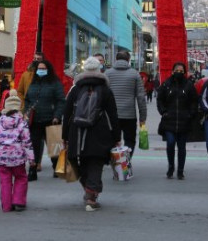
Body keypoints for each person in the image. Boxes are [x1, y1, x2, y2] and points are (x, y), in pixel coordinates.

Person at [62, 57, 119, 211]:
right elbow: (113, 115)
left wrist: (64, 136)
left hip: (77, 132)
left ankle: (90, 191)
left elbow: (66, 113)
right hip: (99, 132)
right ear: (99, 70)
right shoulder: (106, 90)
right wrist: (117, 138)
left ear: (84, 71)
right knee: (96, 162)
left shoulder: (75, 89)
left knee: (79, 163)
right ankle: (91, 195)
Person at [0, 89, 34, 212]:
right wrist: (31, 159)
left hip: (2, 159)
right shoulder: (22, 123)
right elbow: (27, 142)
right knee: (21, 178)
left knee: (5, 181)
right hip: (18, 158)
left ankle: (6, 205)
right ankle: (19, 202)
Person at [104, 51, 146, 179]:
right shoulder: (134, 74)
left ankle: (115, 166)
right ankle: (125, 163)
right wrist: (143, 117)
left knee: (112, 140)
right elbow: (140, 97)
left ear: (116, 59)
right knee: (130, 140)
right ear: (128, 59)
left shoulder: (107, 74)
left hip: (111, 115)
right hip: (129, 114)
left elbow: (103, 95)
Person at [24, 59, 66, 179]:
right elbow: (27, 99)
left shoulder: (55, 83)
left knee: (54, 147)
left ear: (48, 70)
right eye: (39, 69)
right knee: (34, 146)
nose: (41, 71)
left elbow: (61, 101)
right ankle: (33, 170)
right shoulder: (33, 82)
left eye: (43, 69)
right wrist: (26, 112)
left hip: (51, 120)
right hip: (35, 120)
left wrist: (57, 116)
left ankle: (57, 168)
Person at [157, 62, 197, 180]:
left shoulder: (189, 85)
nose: (179, 72)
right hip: (169, 120)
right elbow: (160, 100)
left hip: (184, 120)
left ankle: (180, 170)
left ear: (184, 72)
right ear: (172, 71)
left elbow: (194, 101)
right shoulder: (166, 84)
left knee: (181, 147)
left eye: (181, 71)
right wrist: (164, 112)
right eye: (177, 70)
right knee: (170, 143)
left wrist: (191, 114)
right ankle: (171, 167)